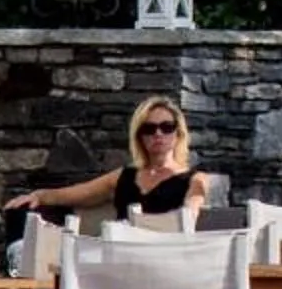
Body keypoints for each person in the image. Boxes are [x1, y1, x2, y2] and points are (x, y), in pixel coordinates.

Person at [14, 94, 212, 221]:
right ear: (139, 136)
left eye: (167, 127)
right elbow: (77, 193)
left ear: (178, 134)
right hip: (120, 260)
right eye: (149, 129)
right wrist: (39, 196)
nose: (158, 134)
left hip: (166, 257)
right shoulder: (124, 177)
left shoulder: (194, 179)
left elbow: (188, 217)